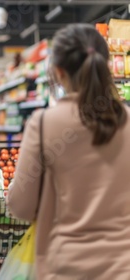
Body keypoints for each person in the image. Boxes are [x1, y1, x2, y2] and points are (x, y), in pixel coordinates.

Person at [7, 23, 130, 279]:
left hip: (64, 267)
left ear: (58, 72)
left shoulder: (43, 124)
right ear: (106, 65)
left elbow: (21, 206)